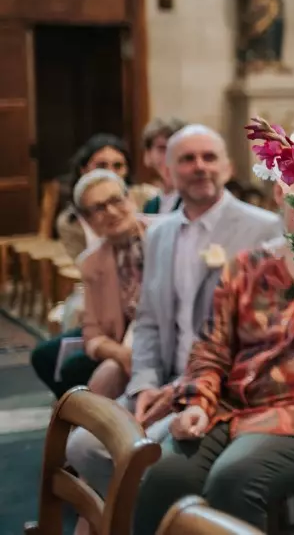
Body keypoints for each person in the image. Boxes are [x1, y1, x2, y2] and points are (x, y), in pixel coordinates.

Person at [65, 125, 281, 509]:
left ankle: (163, 518)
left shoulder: (264, 230)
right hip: (159, 382)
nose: (200, 167)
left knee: (146, 460)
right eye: (187, 159)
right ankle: (139, 521)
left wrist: (183, 388)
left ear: (228, 167)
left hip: (217, 389)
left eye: (209, 157)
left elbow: (261, 336)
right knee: (82, 445)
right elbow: (147, 323)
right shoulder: (160, 234)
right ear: (168, 170)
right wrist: (143, 386)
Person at [133, 181, 294, 535]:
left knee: (233, 479)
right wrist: (197, 403)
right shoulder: (247, 267)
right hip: (233, 407)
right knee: (165, 474)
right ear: (281, 195)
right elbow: (210, 350)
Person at [30, 170, 146, 398]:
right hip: (122, 343)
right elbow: (92, 333)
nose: (111, 211)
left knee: (84, 372)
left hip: (164, 340)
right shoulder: (92, 262)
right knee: (55, 361)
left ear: (130, 200)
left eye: (115, 200)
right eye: (99, 208)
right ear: (89, 221)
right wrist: (122, 355)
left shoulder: (164, 235)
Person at [141, 117, 187, 214]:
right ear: (148, 155)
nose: (170, 156)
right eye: (162, 149)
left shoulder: (196, 202)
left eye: (177, 148)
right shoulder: (150, 206)